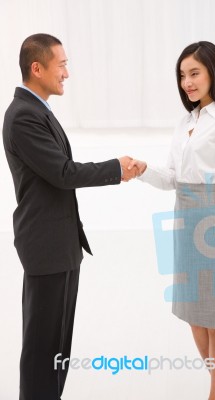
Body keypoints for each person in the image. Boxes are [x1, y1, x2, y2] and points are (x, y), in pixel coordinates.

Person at [2, 33, 140, 400]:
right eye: (61, 65)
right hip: (45, 247)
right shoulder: (23, 117)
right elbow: (63, 173)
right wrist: (116, 168)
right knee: (42, 351)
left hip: (60, 247)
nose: (67, 74)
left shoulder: (37, 111)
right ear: (37, 68)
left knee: (57, 350)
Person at [129, 41, 215, 400]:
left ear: (213, 71)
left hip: (213, 221)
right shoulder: (186, 121)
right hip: (185, 217)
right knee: (194, 315)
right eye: (182, 75)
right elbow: (172, 178)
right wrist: (141, 169)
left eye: (194, 73)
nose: (187, 82)